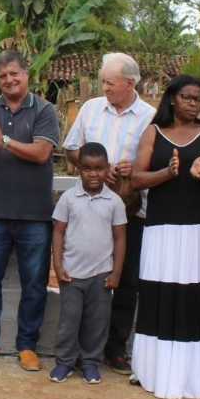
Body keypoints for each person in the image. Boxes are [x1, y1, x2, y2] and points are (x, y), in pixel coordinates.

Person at [0, 50, 60, 372]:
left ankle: (27, 346)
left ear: (27, 74)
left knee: (33, 284)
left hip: (35, 216)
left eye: (14, 74)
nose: (9, 80)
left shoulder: (45, 110)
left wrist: (4, 140)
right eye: (2, 76)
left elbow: (42, 153)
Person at [130, 75, 200, 399]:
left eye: (198, 98)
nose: (192, 103)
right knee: (160, 295)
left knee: (195, 295)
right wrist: (166, 174)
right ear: (172, 99)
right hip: (161, 230)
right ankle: (155, 371)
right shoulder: (153, 133)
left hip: (199, 230)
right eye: (186, 97)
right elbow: (136, 179)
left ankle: (193, 376)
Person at [62, 52, 154, 375]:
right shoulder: (90, 109)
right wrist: (96, 168)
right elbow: (71, 148)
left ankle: (115, 349)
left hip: (130, 210)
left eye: (110, 83)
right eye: (103, 82)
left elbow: (154, 162)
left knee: (126, 280)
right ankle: (80, 351)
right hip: (89, 210)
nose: (105, 88)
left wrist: (132, 169)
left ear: (130, 83)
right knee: (85, 278)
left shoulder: (149, 116)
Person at [50, 142, 127, 384]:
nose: (93, 174)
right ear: (78, 170)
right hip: (72, 275)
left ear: (107, 169)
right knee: (69, 322)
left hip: (101, 276)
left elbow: (120, 238)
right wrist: (58, 266)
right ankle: (64, 362)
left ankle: (91, 363)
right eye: (87, 169)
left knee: (97, 323)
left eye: (99, 168)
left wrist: (116, 273)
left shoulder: (114, 202)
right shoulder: (68, 199)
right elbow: (58, 233)